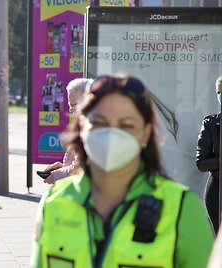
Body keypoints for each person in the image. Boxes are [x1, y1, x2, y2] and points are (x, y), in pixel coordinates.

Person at [31, 74, 214, 268]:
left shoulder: (181, 208)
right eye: (100, 122)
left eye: (126, 125)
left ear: (146, 133)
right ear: (82, 127)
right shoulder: (54, 202)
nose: (111, 134)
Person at [43, 78, 93, 184]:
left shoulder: (91, 128)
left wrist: (56, 175)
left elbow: (81, 168)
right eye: (69, 104)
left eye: (74, 104)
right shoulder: (83, 124)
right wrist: (63, 167)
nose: (70, 109)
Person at [196, 75, 222, 234]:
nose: (221, 96)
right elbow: (201, 162)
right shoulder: (211, 123)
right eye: (219, 92)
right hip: (217, 189)